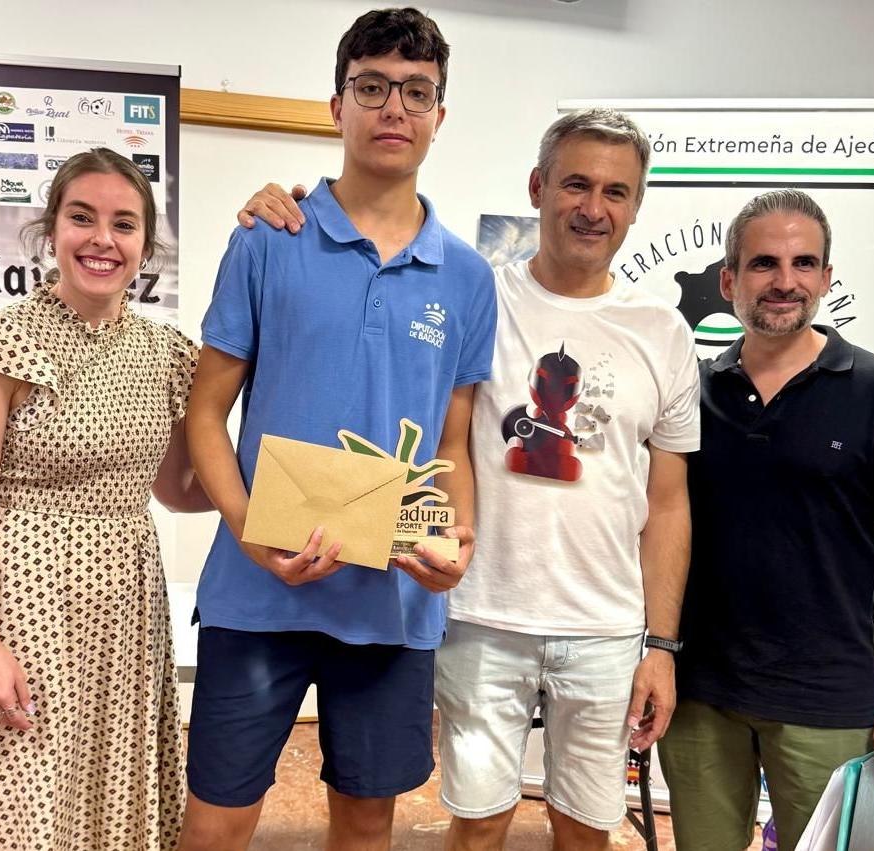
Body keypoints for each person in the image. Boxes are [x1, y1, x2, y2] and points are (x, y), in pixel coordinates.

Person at [237, 108, 699, 851]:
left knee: (586, 830)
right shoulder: (474, 291)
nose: (593, 207)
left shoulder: (663, 331)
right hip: (482, 613)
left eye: (616, 192)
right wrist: (287, 210)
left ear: (636, 205)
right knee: (477, 825)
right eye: (575, 184)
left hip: (606, 629)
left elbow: (669, 503)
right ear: (537, 188)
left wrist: (661, 645)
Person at [179, 8, 497, 851]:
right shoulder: (267, 237)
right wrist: (249, 536)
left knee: (365, 819)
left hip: (390, 598)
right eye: (372, 88)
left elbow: (451, 445)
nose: (393, 108)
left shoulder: (465, 277)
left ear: (439, 115)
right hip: (257, 594)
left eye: (415, 92)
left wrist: (454, 543)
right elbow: (205, 411)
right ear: (336, 106)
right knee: (216, 816)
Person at [0, 147, 208, 851]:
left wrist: (284, 490)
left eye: (123, 223)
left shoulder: (166, 352)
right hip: (24, 602)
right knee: (20, 807)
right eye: (81, 218)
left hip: (124, 610)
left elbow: (177, 491)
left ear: (146, 244)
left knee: (106, 799)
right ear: (51, 229)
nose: (102, 240)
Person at [658, 189, 874, 851]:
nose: (782, 281)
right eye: (762, 263)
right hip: (702, 695)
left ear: (824, 276)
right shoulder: (689, 393)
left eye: (801, 263)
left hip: (828, 701)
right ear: (729, 279)